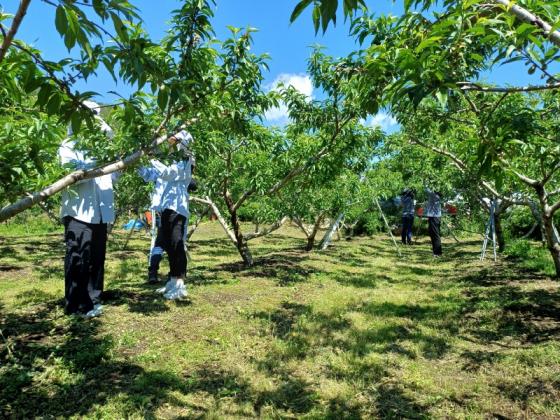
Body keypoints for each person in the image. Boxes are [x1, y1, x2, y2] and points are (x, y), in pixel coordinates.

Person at [59, 101, 116, 317]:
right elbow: (71, 176)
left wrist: (116, 165)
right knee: (78, 257)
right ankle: (76, 305)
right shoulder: (68, 146)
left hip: (101, 212)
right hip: (78, 212)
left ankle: (93, 298)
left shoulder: (102, 153)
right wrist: (96, 165)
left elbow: (113, 177)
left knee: (96, 257)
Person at [139, 130, 193, 300]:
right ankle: (172, 280)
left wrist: (151, 158)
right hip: (164, 209)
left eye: (176, 140)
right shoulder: (167, 162)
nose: (171, 142)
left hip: (178, 208)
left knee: (177, 243)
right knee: (168, 245)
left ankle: (179, 283)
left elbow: (167, 173)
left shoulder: (185, 160)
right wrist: (136, 162)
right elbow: (149, 175)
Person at [425, 188, 443, 257]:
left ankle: (438, 253)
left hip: (434, 217)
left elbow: (426, 189)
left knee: (435, 235)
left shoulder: (434, 195)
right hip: (433, 216)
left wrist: (424, 178)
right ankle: (435, 251)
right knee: (432, 234)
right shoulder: (435, 195)